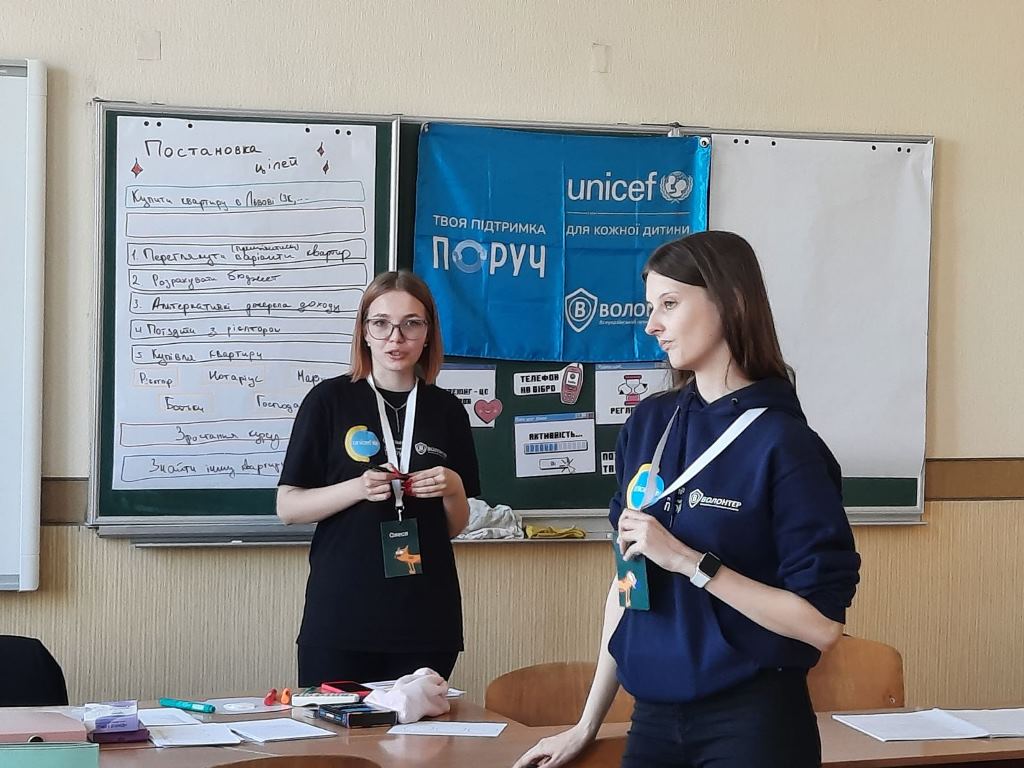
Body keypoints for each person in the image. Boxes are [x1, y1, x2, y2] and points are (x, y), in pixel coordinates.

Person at [514, 231, 860, 768]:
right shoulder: (650, 423)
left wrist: (688, 562)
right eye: (651, 307)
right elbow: (627, 583)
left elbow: (821, 625)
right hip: (652, 720)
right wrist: (587, 724)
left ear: (732, 302)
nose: (652, 325)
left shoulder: (784, 444)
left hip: (752, 722)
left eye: (670, 304)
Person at [277, 270, 480, 687]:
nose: (396, 338)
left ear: (428, 333)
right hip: (341, 618)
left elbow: (453, 527)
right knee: (334, 729)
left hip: (426, 619)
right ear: (364, 332)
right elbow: (288, 508)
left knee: (418, 731)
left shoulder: (447, 410)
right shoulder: (328, 400)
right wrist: (357, 488)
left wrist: (454, 487)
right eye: (382, 323)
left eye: (411, 324)